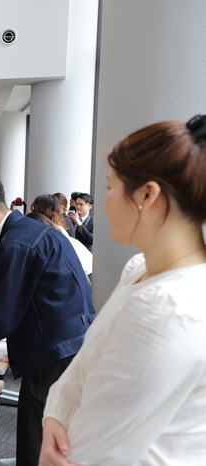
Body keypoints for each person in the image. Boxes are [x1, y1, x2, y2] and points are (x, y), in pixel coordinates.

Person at [40, 116, 206, 466]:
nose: (104, 203)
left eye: (110, 187)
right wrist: (55, 414)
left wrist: (61, 424)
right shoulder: (140, 269)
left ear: (147, 194)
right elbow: (86, 363)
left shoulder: (169, 307)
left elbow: (89, 447)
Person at [0, 174, 95, 466]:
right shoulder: (35, 231)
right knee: (49, 436)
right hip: (67, 345)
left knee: (36, 439)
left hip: (52, 352)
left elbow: (4, 315)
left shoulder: (15, 243)